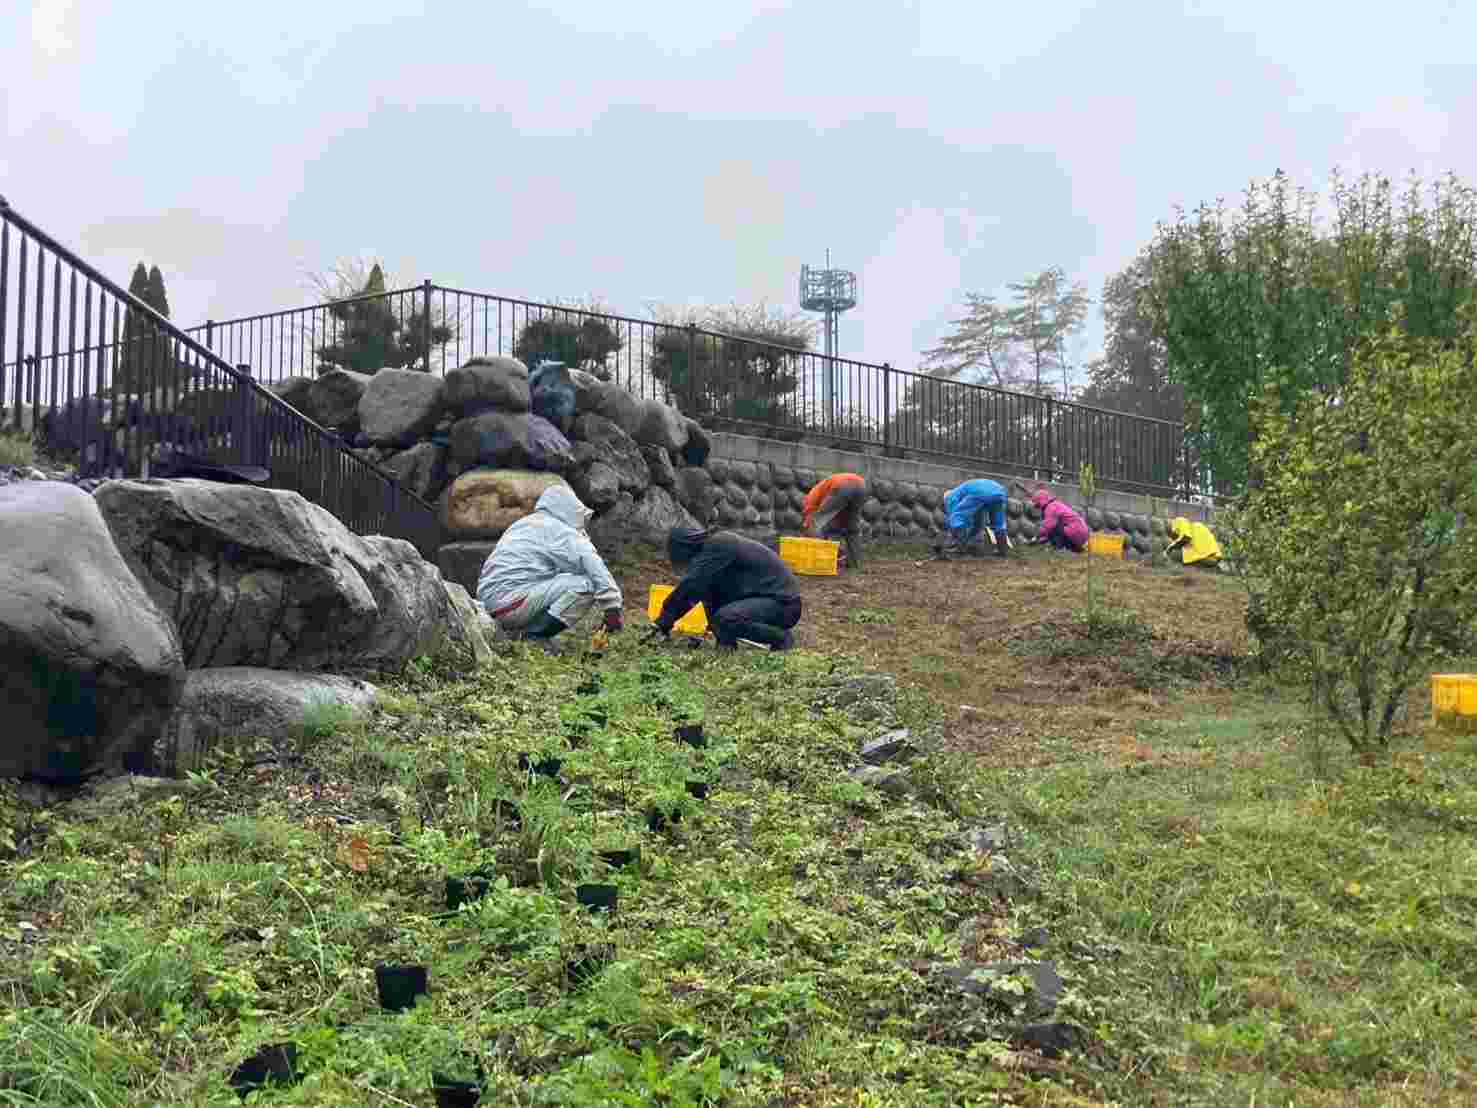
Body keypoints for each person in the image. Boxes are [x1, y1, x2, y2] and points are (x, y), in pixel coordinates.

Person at [476, 484, 624, 648]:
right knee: (587, 584)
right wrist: (612, 607)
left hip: (489, 604)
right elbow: (592, 563)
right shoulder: (558, 529)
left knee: (559, 578)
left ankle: (520, 632)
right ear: (570, 510)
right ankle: (534, 637)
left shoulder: (523, 524)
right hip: (509, 604)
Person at [648, 527, 803, 650]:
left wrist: (663, 621)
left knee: (725, 618)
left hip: (784, 604)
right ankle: (726, 646)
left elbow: (691, 585)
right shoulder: (714, 554)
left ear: (685, 548)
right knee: (713, 603)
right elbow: (696, 595)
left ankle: (781, 638)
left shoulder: (719, 545)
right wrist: (665, 623)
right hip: (767, 600)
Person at [802, 472, 868, 568]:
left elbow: (812, 516)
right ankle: (854, 563)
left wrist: (807, 526)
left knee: (817, 522)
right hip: (861, 486)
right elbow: (839, 511)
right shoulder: (824, 489)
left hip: (843, 485)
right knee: (852, 528)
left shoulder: (810, 498)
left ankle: (819, 561)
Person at [937, 478, 1012, 558]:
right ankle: (1002, 551)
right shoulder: (967, 494)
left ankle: (958, 548)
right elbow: (978, 523)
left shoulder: (950, 496)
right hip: (999, 492)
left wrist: (948, 535)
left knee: (956, 518)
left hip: (980, 492)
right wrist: (969, 537)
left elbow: (954, 518)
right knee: (998, 524)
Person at [1030, 487, 1090, 552]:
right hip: (1082, 534)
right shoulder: (1056, 504)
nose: (1037, 508)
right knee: (1054, 528)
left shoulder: (1050, 508)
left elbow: (1048, 526)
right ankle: (1073, 548)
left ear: (1041, 501)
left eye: (1037, 504)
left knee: (1053, 527)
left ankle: (1061, 548)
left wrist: (1036, 537)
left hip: (1076, 532)